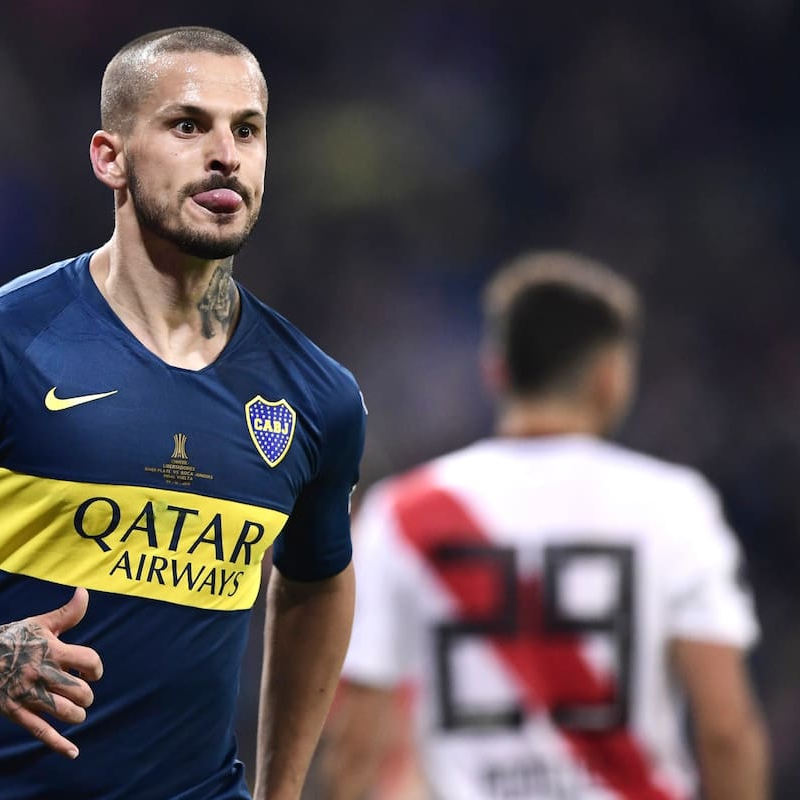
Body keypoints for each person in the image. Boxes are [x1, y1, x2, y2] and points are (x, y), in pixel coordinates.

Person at [0, 26, 364, 800]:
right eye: (188, 125)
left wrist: (281, 790)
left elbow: (317, 581)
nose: (225, 152)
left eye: (247, 129)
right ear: (109, 157)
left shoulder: (317, 395)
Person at [320, 252, 768, 800]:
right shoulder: (675, 507)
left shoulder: (402, 515)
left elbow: (357, 741)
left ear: (497, 371)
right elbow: (726, 732)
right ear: (609, 378)